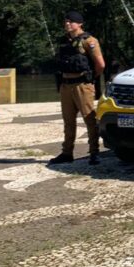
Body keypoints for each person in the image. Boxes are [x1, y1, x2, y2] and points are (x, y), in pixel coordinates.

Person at [49, 11, 106, 165]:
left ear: (80, 23)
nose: (67, 24)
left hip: (82, 85)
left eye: (71, 21)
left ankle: (94, 152)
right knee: (68, 121)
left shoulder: (89, 41)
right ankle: (67, 152)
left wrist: (91, 78)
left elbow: (100, 64)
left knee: (89, 119)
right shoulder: (64, 41)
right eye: (66, 21)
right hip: (66, 85)